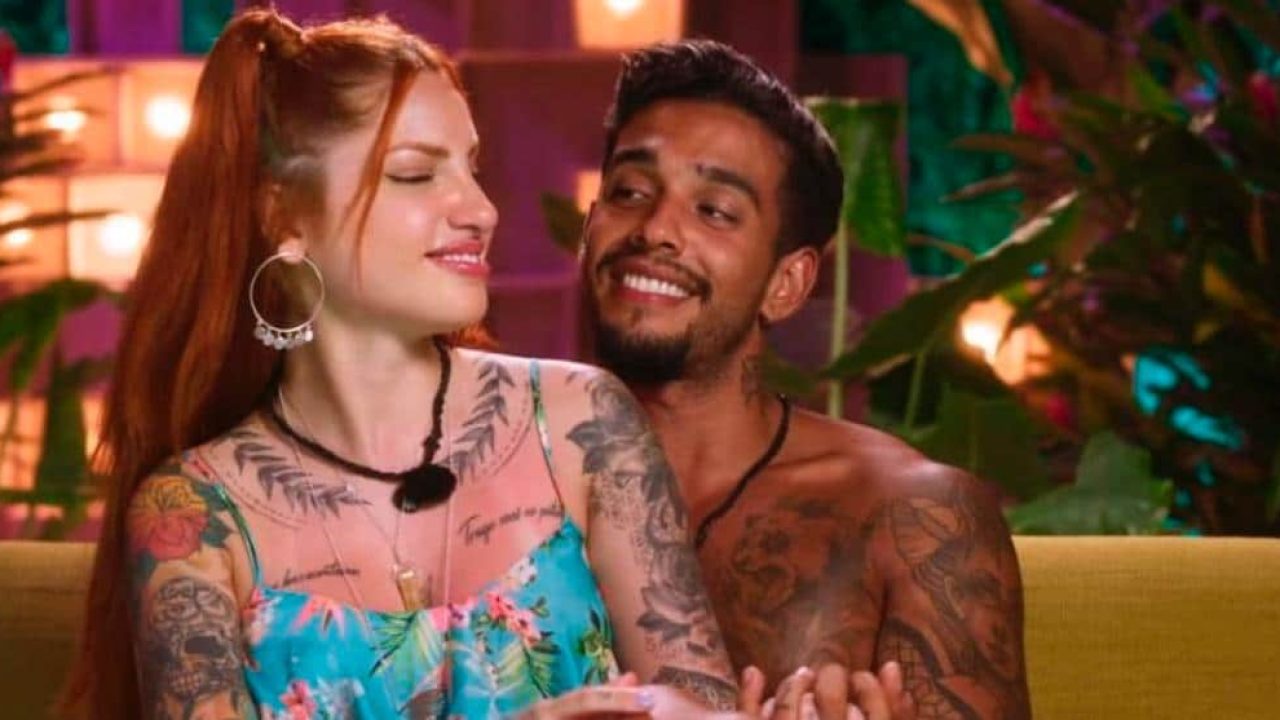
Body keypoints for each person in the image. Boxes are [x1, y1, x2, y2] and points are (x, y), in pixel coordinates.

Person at [61, 10, 764, 719]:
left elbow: (701, 705)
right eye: (415, 174)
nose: (481, 210)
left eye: (471, 168)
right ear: (283, 216)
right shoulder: (193, 514)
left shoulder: (583, 422)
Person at [580, 40, 1031, 720]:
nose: (656, 229)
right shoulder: (492, 481)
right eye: (630, 193)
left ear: (787, 283)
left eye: (714, 210)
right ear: (589, 227)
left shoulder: (911, 515)